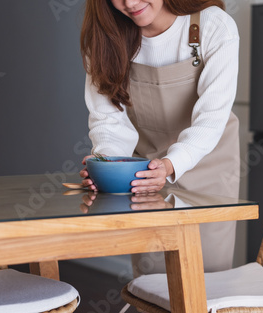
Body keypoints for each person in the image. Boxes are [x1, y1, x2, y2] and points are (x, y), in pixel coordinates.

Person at [79, 0, 241, 276]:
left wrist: (169, 165)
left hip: (209, 171)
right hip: (144, 173)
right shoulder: (106, 39)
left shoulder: (213, 26)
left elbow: (211, 118)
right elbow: (109, 119)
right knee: (151, 283)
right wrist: (106, 163)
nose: (129, 3)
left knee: (206, 280)